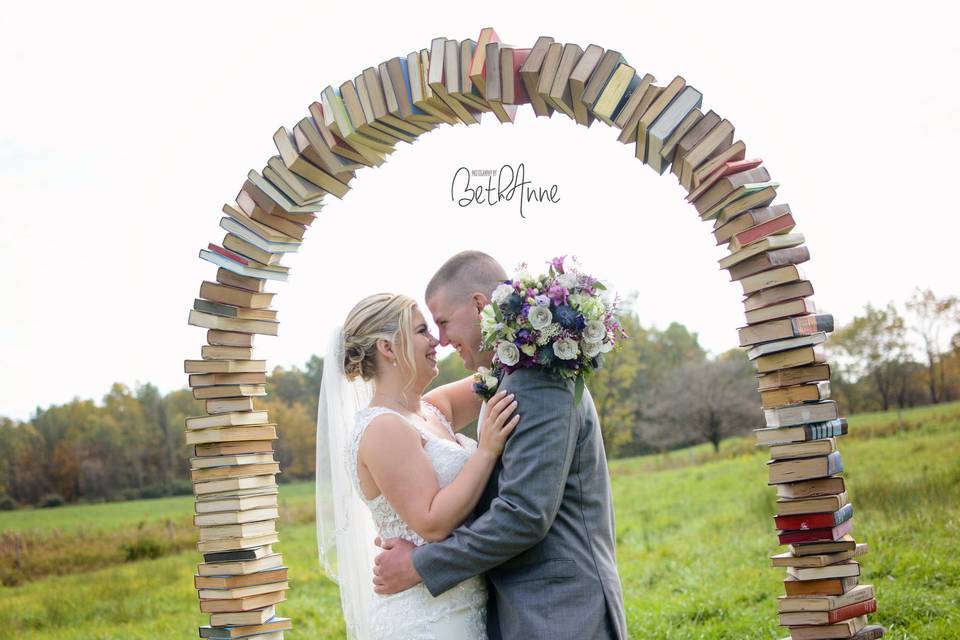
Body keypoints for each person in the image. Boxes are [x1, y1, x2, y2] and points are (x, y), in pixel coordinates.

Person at [372, 251, 628, 639]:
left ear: (479, 305)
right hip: (527, 610)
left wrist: (420, 563)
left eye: (442, 322)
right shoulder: (513, 374)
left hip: (560, 612)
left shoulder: (537, 377)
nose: (441, 340)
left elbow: (523, 514)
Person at [316, 292, 519, 640]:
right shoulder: (382, 428)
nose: (437, 341)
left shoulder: (434, 409)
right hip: (426, 620)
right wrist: (486, 451)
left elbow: (504, 369)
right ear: (388, 348)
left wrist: (536, 316)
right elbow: (432, 522)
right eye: (423, 330)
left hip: (465, 607)